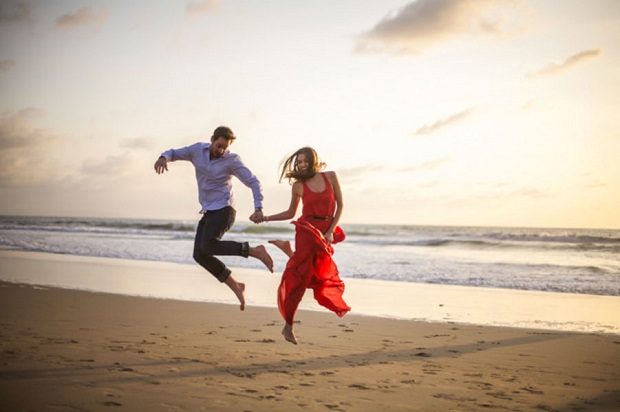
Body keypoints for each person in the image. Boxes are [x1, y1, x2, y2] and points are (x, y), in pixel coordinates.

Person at [154, 126, 274, 311]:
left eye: (224, 148)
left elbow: (253, 181)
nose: (221, 151)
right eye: (218, 146)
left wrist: (258, 207)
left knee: (207, 246)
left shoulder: (232, 160)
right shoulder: (196, 151)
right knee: (199, 254)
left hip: (225, 209)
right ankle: (236, 285)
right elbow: (174, 153)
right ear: (212, 139)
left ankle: (255, 251)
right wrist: (164, 157)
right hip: (209, 210)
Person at [260, 147, 350, 344]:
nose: (301, 165)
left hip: (326, 230)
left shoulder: (331, 177)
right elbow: (291, 213)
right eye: (298, 162)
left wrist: (330, 231)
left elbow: (341, 205)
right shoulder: (298, 186)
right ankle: (288, 326)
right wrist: (266, 218)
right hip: (307, 230)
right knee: (300, 279)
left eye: (304, 161)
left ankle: (288, 250)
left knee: (317, 276)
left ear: (313, 160)